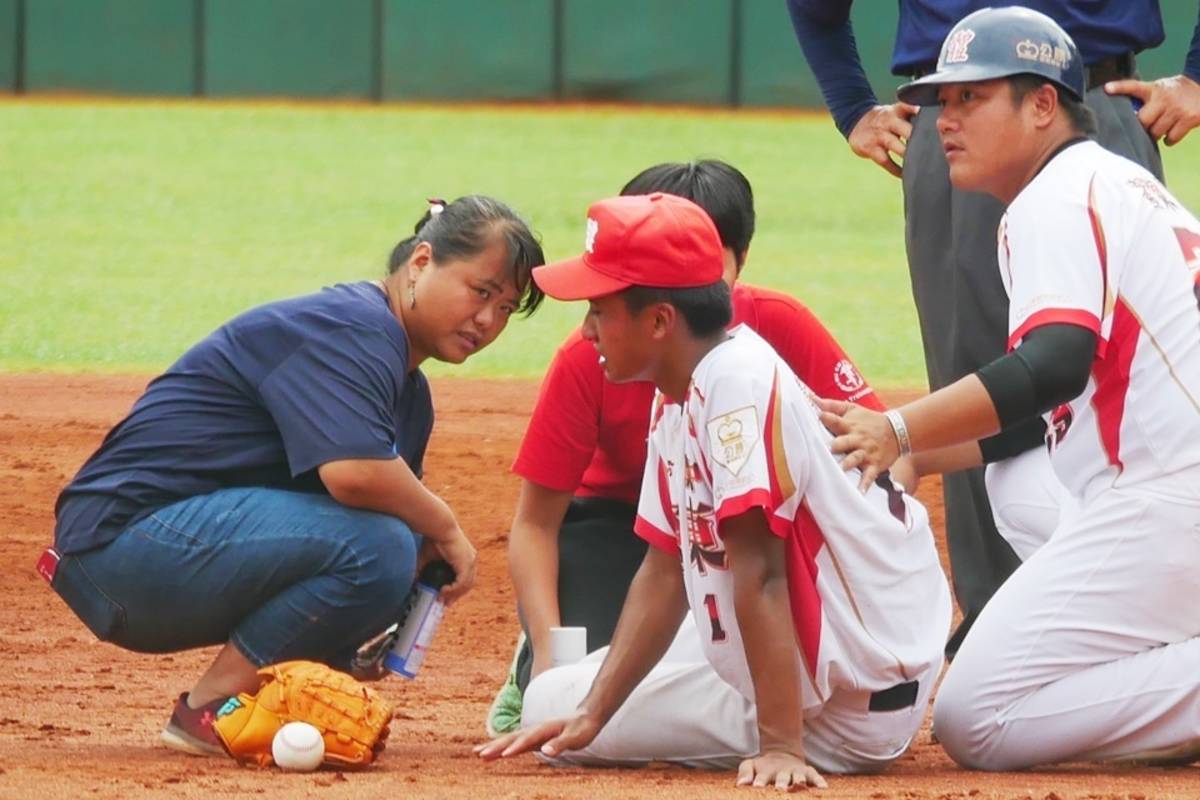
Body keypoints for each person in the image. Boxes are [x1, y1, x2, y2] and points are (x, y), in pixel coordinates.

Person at [820, 8, 1200, 769]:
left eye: (972, 98)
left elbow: (1052, 364)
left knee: (975, 719)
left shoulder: (1056, 201)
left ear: (1041, 106)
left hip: (1171, 501)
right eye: (941, 101)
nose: (945, 121)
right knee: (1017, 483)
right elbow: (1037, 416)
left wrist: (896, 429)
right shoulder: (1110, 179)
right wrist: (924, 453)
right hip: (1169, 488)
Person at [477, 192, 951, 789]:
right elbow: (664, 568)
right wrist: (596, 712)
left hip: (848, 703)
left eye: (599, 309)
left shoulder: (735, 386)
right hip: (829, 657)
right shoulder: (681, 384)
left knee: (547, 705)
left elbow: (761, 570)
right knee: (569, 703)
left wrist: (779, 746)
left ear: (658, 322)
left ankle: (777, 729)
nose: (587, 330)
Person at [46, 196, 545, 756]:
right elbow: (354, 475)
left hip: (169, 555)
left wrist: (353, 640)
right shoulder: (355, 326)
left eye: (506, 309)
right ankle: (211, 708)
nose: (488, 320)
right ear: (422, 262)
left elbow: (378, 525)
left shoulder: (410, 395)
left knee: (395, 544)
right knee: (381, 544)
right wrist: (447, 527)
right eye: (481, 291)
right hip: (121, 548)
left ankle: (268, 699)